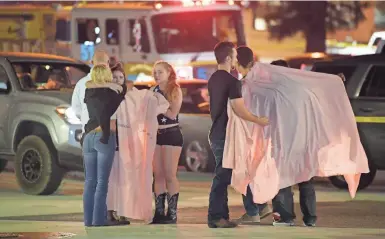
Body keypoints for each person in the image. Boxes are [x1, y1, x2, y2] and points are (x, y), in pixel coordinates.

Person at [207, 41, 269, 228]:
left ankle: (226, 216)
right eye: (234, 56)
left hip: (216, 132)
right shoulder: (232, 81)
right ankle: (216, 217)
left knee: (228, 174)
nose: (235, 60)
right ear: (228, 58)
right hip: (227, 135)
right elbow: (239, 109)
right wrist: (259, 120)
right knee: (222, 176)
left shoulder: (213, 79)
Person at [269, 59, 317, 227]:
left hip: (282, 143)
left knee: (282, 181)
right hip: (303, 142)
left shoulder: (272, 93)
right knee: (306, 181)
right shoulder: (302, 90)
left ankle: (284, 217)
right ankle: (310, 218)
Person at [82, 64, 127, 227]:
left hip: (88, 137)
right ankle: (99, 220)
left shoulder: (89, 91)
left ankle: (88, 221)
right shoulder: (114, 92)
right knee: (102, 182)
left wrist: (104, 83)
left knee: (90, 181)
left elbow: (89, 84)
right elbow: (125, 90)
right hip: (104, 136)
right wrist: (111, 84)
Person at [234, 46, 273, 225]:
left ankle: (253, 211)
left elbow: (243, 110)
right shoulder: (264, 80)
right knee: (254, 172)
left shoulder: (246, 84)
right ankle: (262, 205)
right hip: (262, 132)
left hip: (249, 132)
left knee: (246, 172)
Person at [151, 61, 183, 224]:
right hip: (156, 134)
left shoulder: (174, 90)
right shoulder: (152, 90)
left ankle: (172, 214)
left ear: (169, 72)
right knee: (158, 174)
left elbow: (172, 114)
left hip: (171, 133)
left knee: (170, 174)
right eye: (155, 72)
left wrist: (158, 104)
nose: (156, 75)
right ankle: (159, 212)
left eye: (160, 72)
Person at [71, 50, 122, 132]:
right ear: (108, 62)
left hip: (88, 132)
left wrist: (85, 117)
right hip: (108, 135)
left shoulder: (81, 84)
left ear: (91, 62)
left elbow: (76, 109)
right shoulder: (116, 86)